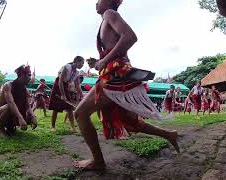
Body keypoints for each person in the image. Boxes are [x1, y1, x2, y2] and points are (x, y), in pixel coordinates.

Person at [73, 0, 179, 170]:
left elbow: (130, 37)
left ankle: (98, 162)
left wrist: (104, 61)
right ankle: (169, 134)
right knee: (130, 122)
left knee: (80, 113)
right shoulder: (107, 18)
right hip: (115, 75)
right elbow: (115, 48)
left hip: (115, 77)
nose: (96, 2)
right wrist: (99, 61)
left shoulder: (110, 14)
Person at [0, 65, 37, 137]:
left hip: (14, 113)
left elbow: (27, 105)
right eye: (29, 75)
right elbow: (11, 103)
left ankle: (10, 126)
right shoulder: (8, 85)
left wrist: (33, 116)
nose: (30, 78)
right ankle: (1, 129)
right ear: (22, 75)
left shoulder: (25, 89)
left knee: (29, 115)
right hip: (0, 113)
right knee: (8, 107)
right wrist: (20, 118)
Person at [48, 56, 84, 132]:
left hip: (65, 86)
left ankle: (73, 127)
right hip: (58, 86)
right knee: (56, 107)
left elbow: (77, 86)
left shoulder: (77, 73)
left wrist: (82, 95)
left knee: (69, 107)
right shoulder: (66, 67)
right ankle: (53, 127)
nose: (82, 65)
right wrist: (63, 95)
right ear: (76, 61)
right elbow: (60, 81)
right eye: (82, 63)